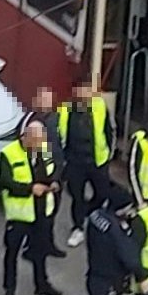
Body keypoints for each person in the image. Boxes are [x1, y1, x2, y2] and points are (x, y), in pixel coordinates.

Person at [0, 121, 62, 295]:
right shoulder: (8, 153)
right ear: (26, 137)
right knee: (12, 252)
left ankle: (42, 284)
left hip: (42, 209)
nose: (40, 145)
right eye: (36, 141)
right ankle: (10, 289)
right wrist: (30, 188)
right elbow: (5, 182)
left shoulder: (44, 148)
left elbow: (54, 168)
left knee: (40, 249)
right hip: (20, 214)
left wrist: (55, 181)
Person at [56, 84, 113, 244]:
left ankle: (90, 212)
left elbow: (109, 131)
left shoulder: (100, 106)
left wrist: (109, 154)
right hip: (75, 162)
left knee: (103, 193)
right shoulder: (65, 111)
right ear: (74, 93)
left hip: (97, 161)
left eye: (87, 90)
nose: (84, 94)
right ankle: (78, 228)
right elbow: (59, 137)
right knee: (77, 197)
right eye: (80, 91)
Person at [20, 85, 65, 256]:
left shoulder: (55, 118)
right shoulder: (32, 121)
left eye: (49, 100)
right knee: (38, 217)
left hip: (54, 174)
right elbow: (28, 149)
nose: (47, 103)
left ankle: (48, 244)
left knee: (51, 213)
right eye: (44, 100)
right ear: (37, 101)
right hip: (38, 177)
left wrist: (56, 176)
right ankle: (31, 248)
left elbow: (56, 148)